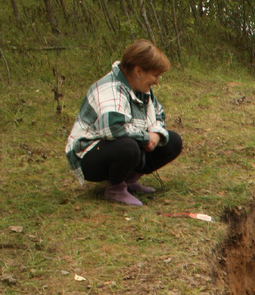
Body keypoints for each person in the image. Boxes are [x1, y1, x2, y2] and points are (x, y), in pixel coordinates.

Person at [65, 39, 184, 207]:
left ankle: (128, 181)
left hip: (121, 144)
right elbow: (114, 129)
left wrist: (156, 135)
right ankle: (115, 188)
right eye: (155, 75)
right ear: (138, 71)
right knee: (128, 146)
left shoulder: (142, 89)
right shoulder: (110, 88)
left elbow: (159, 114)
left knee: (173, 141)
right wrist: (145, 138)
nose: (157, 81)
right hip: (89, 157)